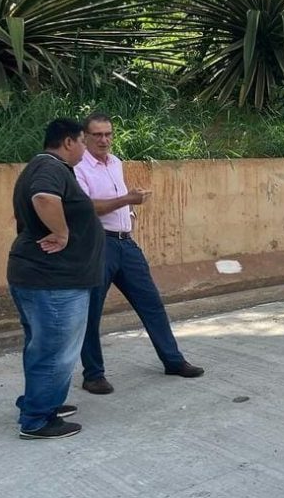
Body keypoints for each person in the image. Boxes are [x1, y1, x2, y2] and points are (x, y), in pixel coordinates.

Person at [75, 112, 204, 394]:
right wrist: (127, 199)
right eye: (97, 134)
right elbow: (87, 208)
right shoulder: (79, 167)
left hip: (126, 243)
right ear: (84, 137)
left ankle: (173, 360)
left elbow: (115, 200)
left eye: (108, 134)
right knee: (91, 311)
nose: (104, 140)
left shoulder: (115, 162)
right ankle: (93, 374)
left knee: (151, 303)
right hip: (99, 244)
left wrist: (128, 209)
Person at [8, 118, 104, 439]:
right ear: (68, 142)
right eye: (82, 141)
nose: (84, 149)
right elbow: (44, 197)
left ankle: (41, 402)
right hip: (53, 281)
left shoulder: (43, 166)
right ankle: (37, 419)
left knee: (41, 346)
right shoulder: (50, 168)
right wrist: (62, 233)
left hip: (41, 277)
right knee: (55, 349)